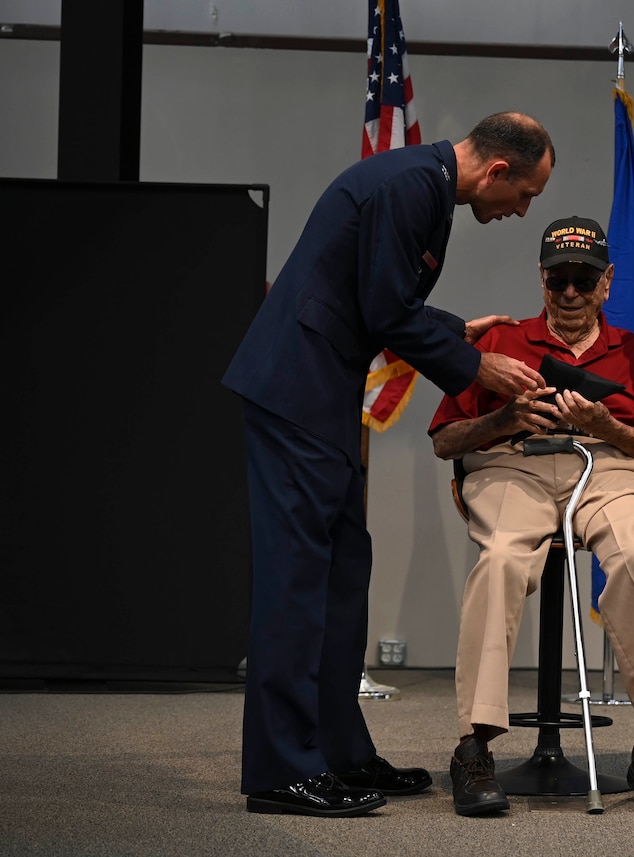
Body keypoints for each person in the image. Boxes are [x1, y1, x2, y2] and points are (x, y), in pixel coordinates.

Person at [222, 112, 555, 818]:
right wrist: (476, 364)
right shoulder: (411, 187)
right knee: (296, 583)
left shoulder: (423, 185)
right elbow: (384, 307)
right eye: (525, 195)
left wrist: (448, 329)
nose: (521, 211)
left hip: (322, 395)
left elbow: (384, 301)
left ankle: (341, 752)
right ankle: (282, 770)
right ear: (497, 171)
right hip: (295, 391)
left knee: (342, 575)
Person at [428, 216, 634, 818]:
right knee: (499, 560)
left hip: (606, 465)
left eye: (583, 278)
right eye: (558, 279)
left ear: (606, 283)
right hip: (513, 465)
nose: (570, 292)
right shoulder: (499, 342)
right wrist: (505, 419)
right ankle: (476, 745)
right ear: (541, 278)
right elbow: (445, 440)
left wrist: (607, 427)